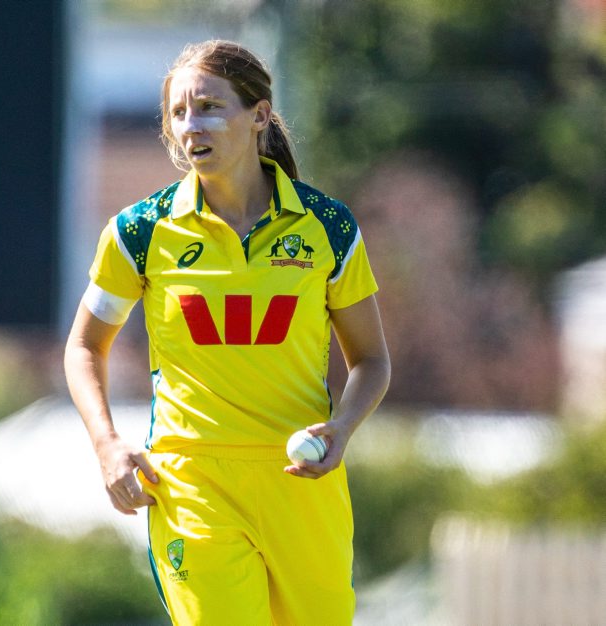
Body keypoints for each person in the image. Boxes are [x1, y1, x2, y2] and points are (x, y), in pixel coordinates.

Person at [64, 39, 390, 625]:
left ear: (259, 115)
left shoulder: (328, 227)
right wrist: (107, 445)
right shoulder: (139, 232)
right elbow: (85, 346)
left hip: (302, 484)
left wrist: (342, 429)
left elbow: (371, 360)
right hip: (191, 485)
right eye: (179, 113)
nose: (191, 126)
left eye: (210, 107)